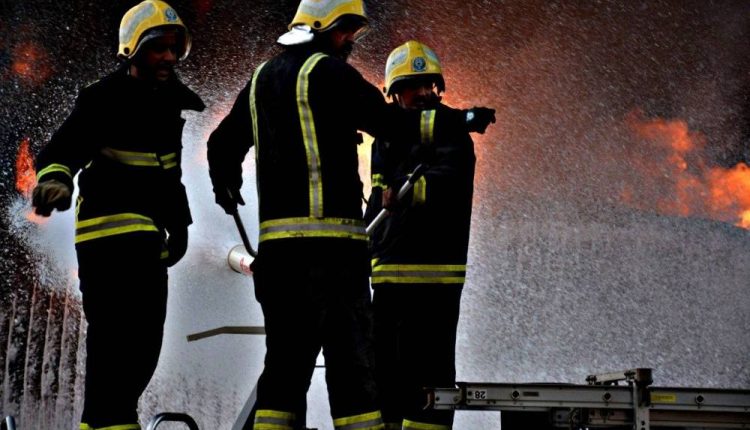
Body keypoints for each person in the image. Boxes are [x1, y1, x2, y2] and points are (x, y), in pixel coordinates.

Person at [206, 1, 495, 429]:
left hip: (279, 259)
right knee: (352, 373)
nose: (349, 42)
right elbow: (392, 123)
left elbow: (220, 146)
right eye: (346, 31)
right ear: (323, 27)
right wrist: (461, 120)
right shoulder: (331, 74)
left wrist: (226, 188)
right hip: (334, 257)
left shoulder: (260, 80)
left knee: (283, 373)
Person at [30, 1, 204, 428]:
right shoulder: (103, 97)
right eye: (158, 48)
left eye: (174, 48)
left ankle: (104, 424)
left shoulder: (168, 103)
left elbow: (168, 174)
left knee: (141, 355)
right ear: (133, 50)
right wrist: (56, 180)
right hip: (107, 245)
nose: (168, 56)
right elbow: (62, 149)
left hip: (146, 246)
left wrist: (180, 226)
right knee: (115, 354)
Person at [364, 40, 488, 430]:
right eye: (411, 86)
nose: (422, 93)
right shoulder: (384, 140)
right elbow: (376, 202)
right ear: (394, 93)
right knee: (383, 379)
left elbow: (448, 185)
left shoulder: (453, 134)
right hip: (387, 280)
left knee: (429, 384)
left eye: (428, 85)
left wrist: (406, 191)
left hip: (434, 280)